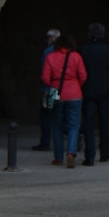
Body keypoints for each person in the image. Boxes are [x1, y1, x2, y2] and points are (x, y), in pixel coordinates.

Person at [41, 30, 86, 167]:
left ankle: (58, 157)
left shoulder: (51, 57)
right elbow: (83, 75)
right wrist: (76, 85)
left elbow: (45, 77)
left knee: (57, 125)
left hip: (56, 93)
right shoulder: (76, 57)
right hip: (74, 93)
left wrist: (53, 85)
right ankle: (71, 152)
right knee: (73, 125)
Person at [80, 22, 109, 165]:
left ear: (90, 34)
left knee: (88, 123)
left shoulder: (84, 50)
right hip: (104, 90)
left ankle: (89, 155)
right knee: (105, 122)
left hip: (88, 90)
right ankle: (105, 151)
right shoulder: (108, 50)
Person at [36, 24, 61, 150]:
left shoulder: (48, 52)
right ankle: (76, 139)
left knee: (46, 115)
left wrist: (44, 89)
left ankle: (45, 142)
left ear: (51, 38)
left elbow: (45, 71)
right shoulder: (65, 51)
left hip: (50, 89)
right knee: (61, 115)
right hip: (63, 89)